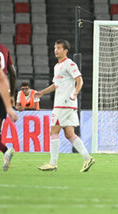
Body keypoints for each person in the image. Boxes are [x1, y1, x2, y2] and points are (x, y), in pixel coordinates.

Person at [35, 39, 95, 172]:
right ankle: (87, 158)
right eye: (55, 48)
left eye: (59, 48)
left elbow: (79, 80)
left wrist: (75, 93)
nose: (56, 50)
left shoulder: (69, 64)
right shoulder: (57, 66)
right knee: (69, 134)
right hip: (65, 104)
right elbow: (56, 85)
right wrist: (42, 93)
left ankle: (53, 163)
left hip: (64, 104)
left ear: (65, 50)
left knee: (53, 131)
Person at [0, 42, 18, 171]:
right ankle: (4, 155)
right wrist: (12, 95)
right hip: (3, 93)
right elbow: (13, 74)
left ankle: (5, 150)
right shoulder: (4, 48)